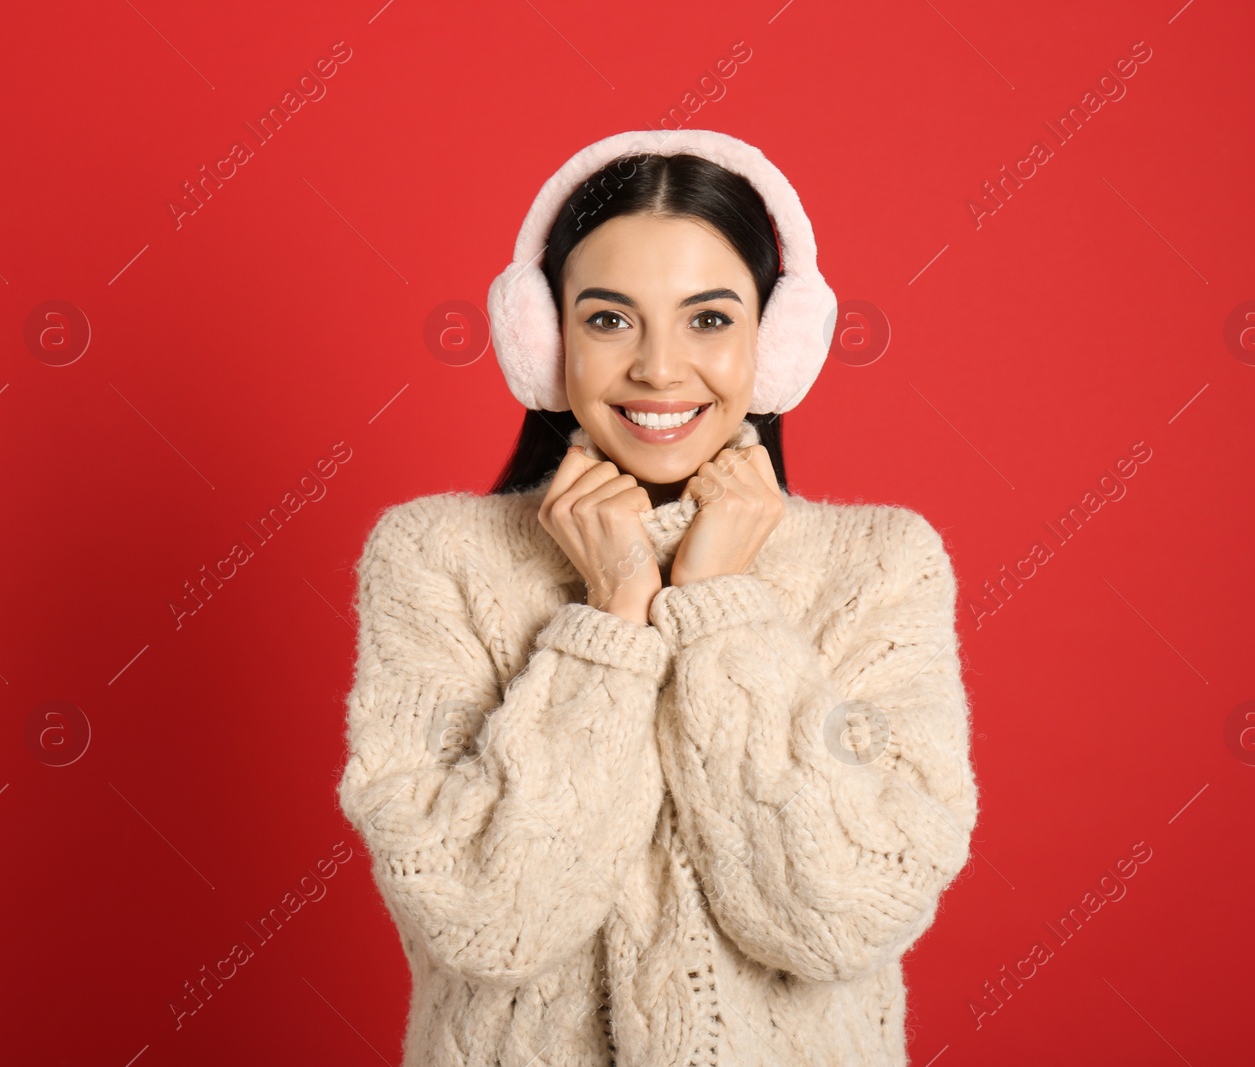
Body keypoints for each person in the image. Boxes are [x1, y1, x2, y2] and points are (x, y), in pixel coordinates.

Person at [336, 129, 979, 1066]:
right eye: (609, 320)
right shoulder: (434, 562)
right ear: (545, 339)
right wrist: (610, 616)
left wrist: (723, 606)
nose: (660, 369)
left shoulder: (881, 568)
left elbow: (841, 917)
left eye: (710, 319)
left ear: (778, 342)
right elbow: (490, 922)